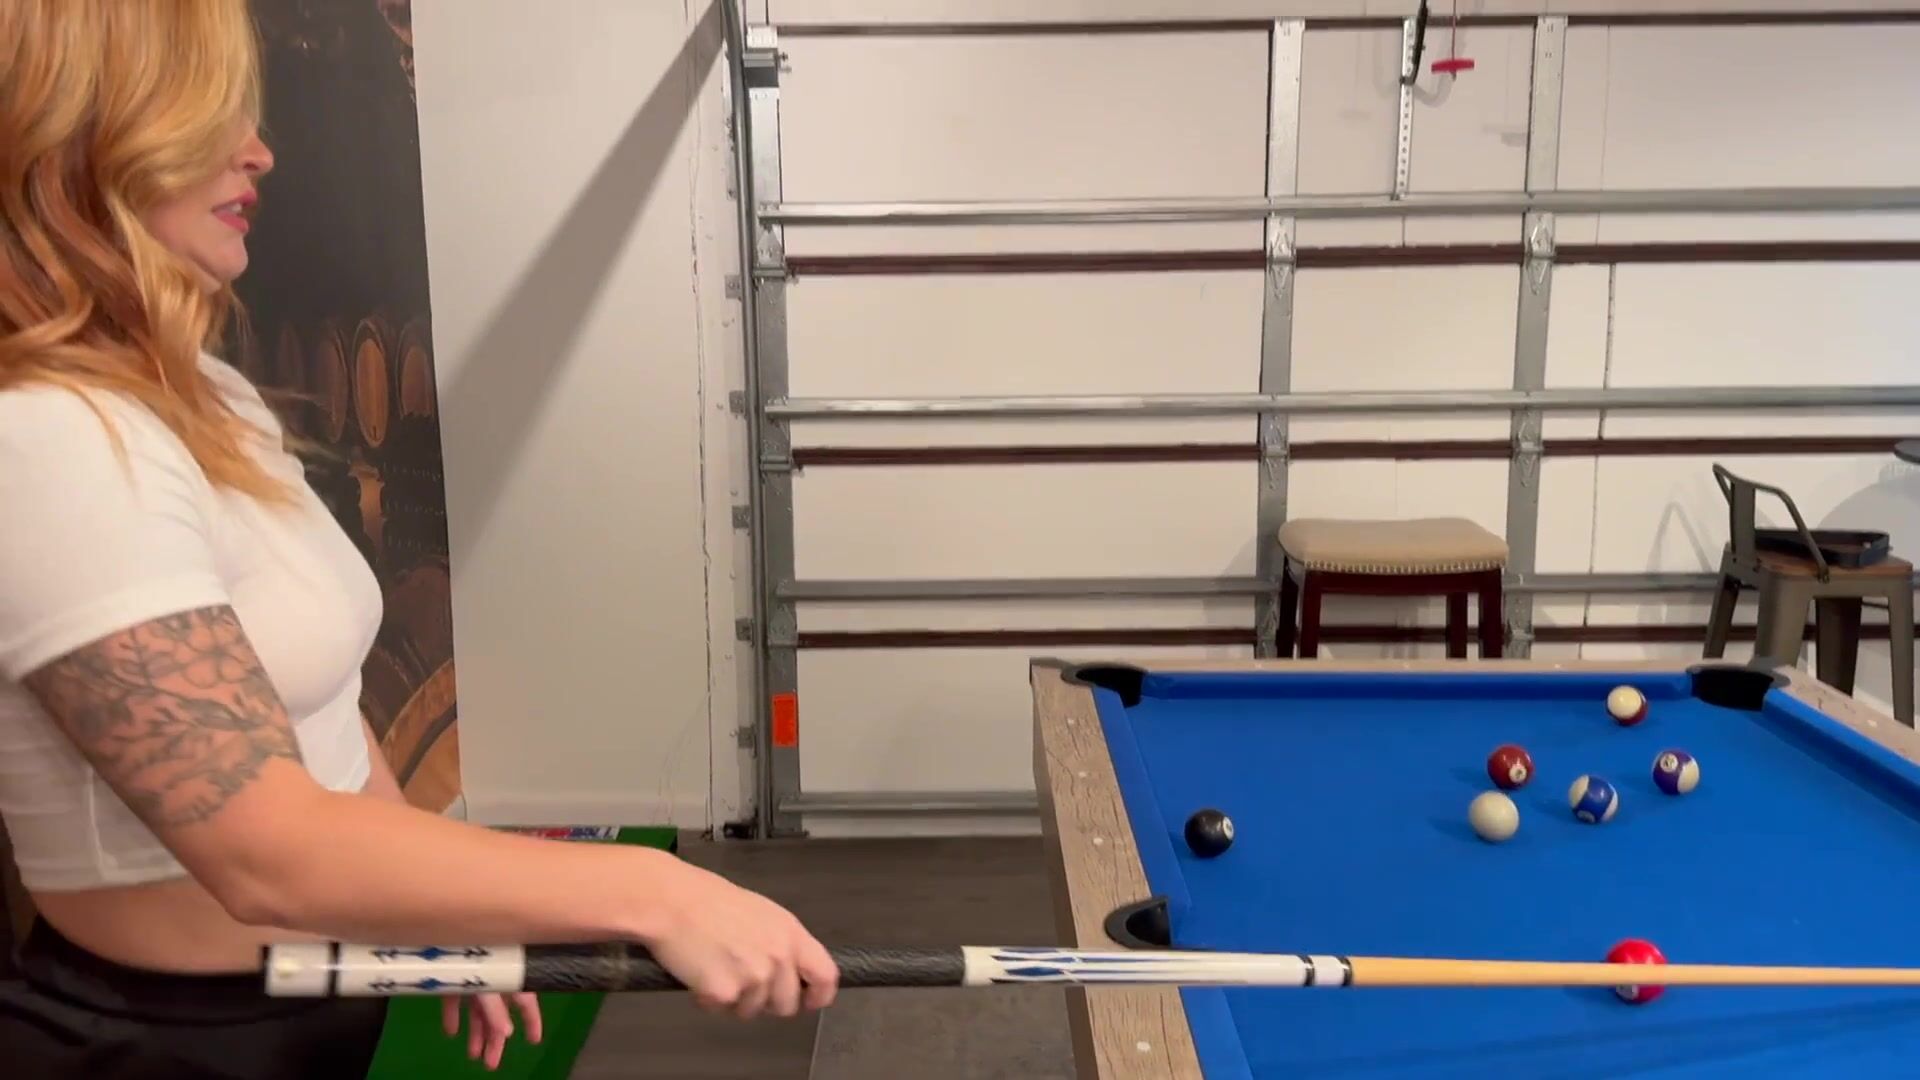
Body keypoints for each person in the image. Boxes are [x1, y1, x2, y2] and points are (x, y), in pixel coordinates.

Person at [0, 2, 839, 1076]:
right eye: (205, 116)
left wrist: (431, 907)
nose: (257, 150)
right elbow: (265, 851)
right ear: (79, 135)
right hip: (155, 1043)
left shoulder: (202, 393)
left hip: (307, 1011)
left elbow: (323, 725)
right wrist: (654, 889)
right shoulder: (49, 434)